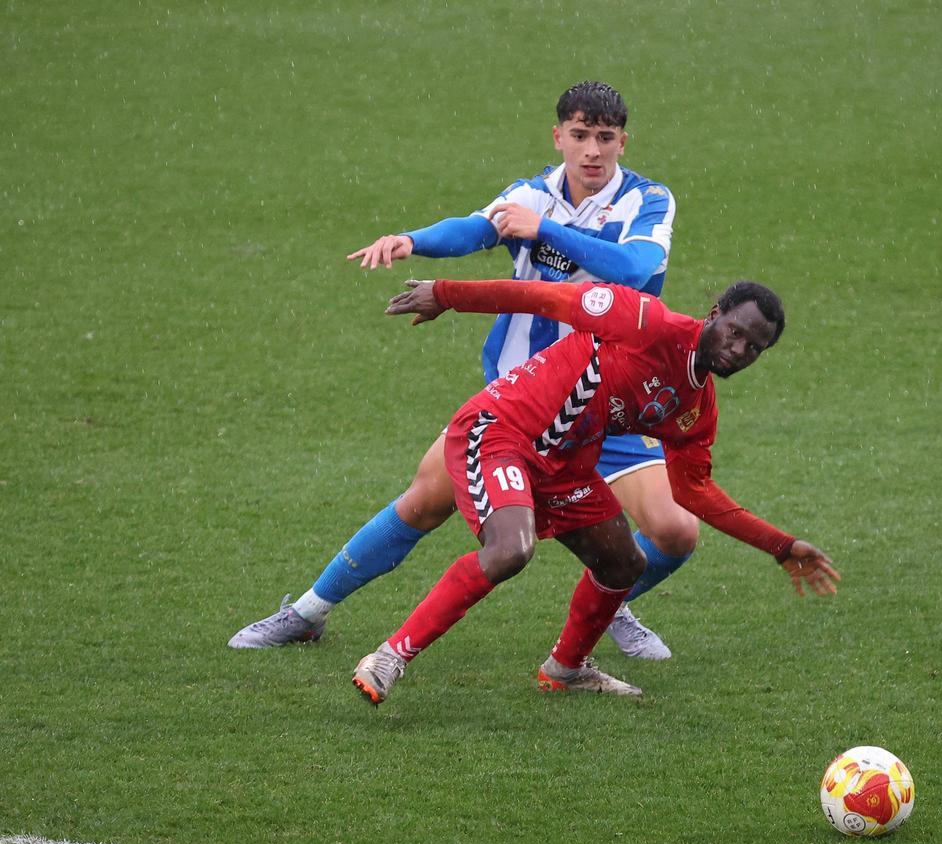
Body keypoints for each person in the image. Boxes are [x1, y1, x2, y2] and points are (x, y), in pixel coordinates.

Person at [229, 81, 694, 659]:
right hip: (523, 401)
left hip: (608, 404)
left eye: (605, 137)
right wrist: (411, 240)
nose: (592, 151)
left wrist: (546, 231)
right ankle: (305, 613)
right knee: (423, 501)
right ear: (558, 137)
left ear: (624, 141)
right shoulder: (529, 195)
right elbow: (474, 229)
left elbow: (635, 267)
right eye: (580, 136)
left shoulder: (648, 201)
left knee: (675, 530)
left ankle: (612, 603)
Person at [350, 276, 840, 704]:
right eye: (735, 332)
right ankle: (389, 657)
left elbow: (696, 493)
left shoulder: (696, 410)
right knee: (510, 551)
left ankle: (566, 669)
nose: (738, 350)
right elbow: (542, 297)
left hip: (565, 468)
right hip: (501, 432)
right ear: (715, 315)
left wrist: (780, 546)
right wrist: (445, 294)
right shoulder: (645, 320)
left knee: (624, 562)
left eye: (754, 349)